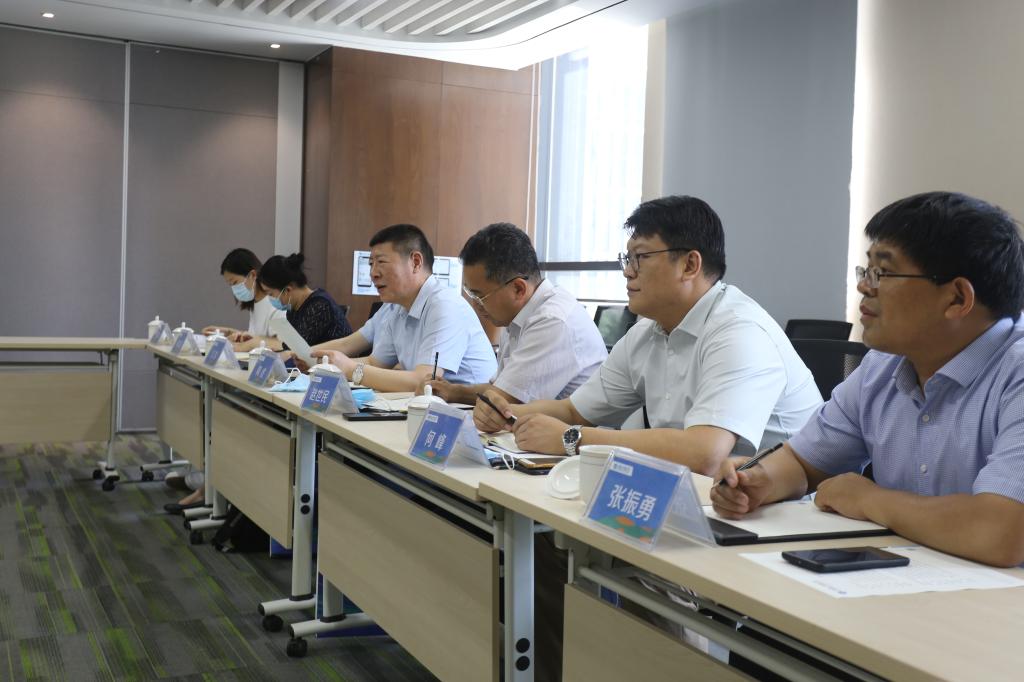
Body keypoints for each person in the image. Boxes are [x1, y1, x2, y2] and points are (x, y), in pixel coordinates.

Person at [711, 191, 1024, 568]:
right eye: (866, 270)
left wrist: (869, 499)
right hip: (911, 583)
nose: (864, 286)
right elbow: (803, 463)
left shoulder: (1016, 371)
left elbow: (1001, 532)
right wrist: (759, 481)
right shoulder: (883, 366)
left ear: (957, 298)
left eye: (883, 273)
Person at [476, 195, 822, 477]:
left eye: (640, 257)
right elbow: (573, 410)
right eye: (626, 259)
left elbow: (704, 453)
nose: (627, 272)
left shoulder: (739, 332)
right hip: (702, 495)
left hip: (784, 514)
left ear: (690, 265)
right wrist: (507, 413)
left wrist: (572, 439)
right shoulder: (647, 332)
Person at [424, 222, 607, 405]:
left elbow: (502, 402)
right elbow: (500, 389)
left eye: (480, 296)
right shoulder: (516, 316)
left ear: (518, 289)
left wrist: (456, 394)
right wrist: (451, 391)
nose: (475, 305)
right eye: (470, 294)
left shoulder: (552, 321)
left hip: (571, 424)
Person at [311, 224, 496, 392]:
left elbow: (424, 380)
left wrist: (349, 368)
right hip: (428, 405)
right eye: (371, 264)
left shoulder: (445, 305)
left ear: (416, 262)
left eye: (381, 262)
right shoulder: (396, 308)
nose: (373, 274)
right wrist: (328, 363)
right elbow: (375, 363)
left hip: (468, 411)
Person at [258, 253, 352, 346]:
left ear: (287, 290)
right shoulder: (293, 310)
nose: (270, 299)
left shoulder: (319, 306)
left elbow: (296, 350)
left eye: (271, 294)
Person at [201, 248, 285, 352]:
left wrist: (242, 346)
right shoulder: (256, 303)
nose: (234, 289)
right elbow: (255, 337)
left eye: (235, 282)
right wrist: (228, 332)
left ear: (253, 275)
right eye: (230, 285)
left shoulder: (276, 304)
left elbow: (282, 344)